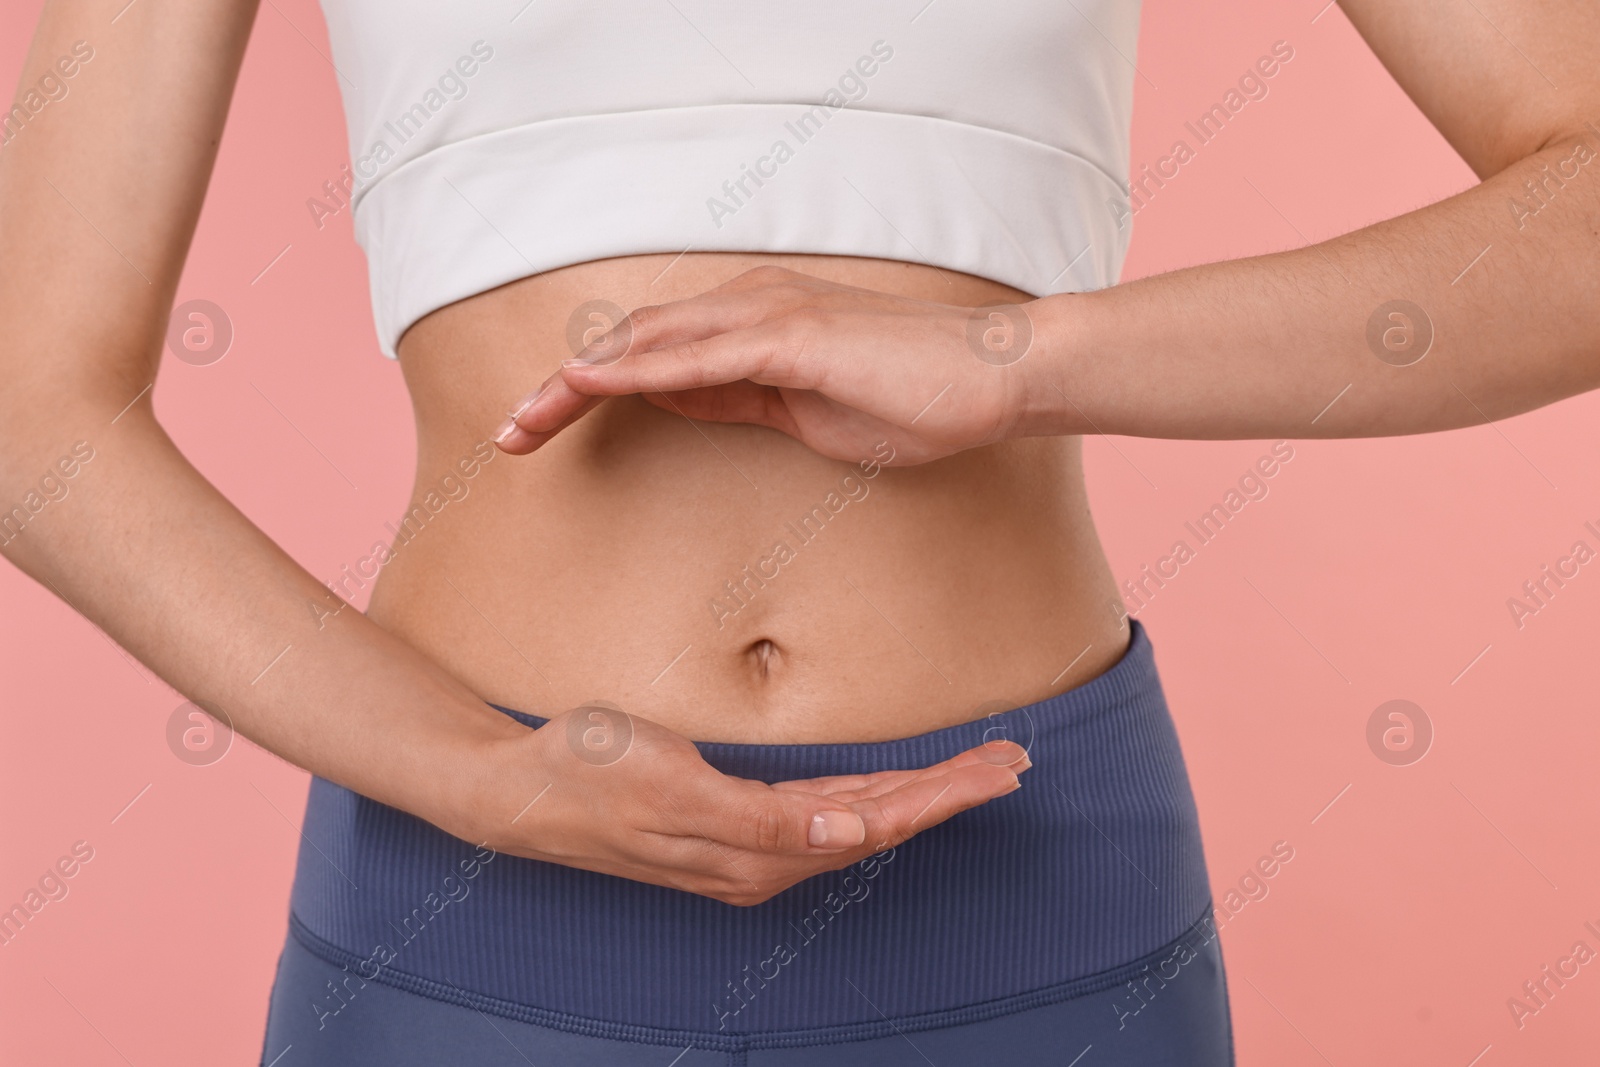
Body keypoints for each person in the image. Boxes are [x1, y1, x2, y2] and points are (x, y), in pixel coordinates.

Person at [0, 1, 1595, 1065]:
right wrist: (478, 774)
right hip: (477, 903)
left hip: (1027, 883)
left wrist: (1011, 365)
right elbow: (29, 410)